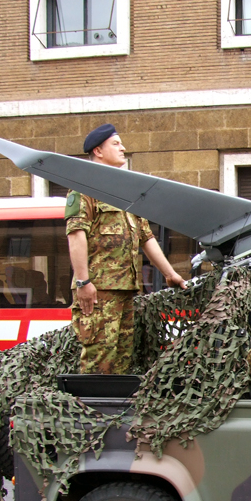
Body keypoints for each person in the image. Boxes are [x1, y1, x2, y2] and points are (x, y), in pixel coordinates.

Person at [66, 123, 187, 374]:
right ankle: (94, 411)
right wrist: (83, 283)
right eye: (116, 144)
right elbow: (76, 235)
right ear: (98, 151)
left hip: (126, 291)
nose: (123, 148)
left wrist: (170, 274)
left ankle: (113, 413)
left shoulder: (126, 193)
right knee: (99, 360)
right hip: (99, 292)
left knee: (122, 361)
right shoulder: (83, 189)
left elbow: (146, 237)